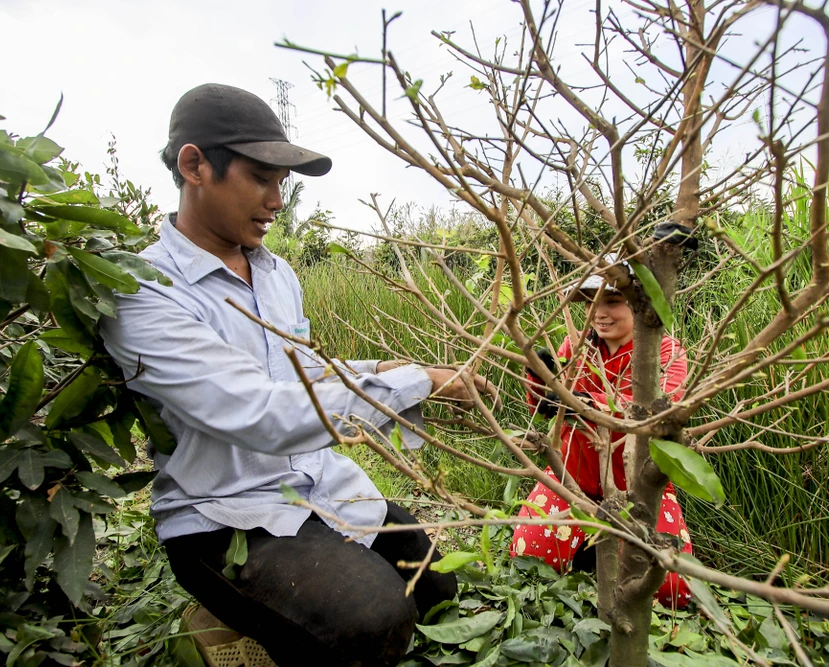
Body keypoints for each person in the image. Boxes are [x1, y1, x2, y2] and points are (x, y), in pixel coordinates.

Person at [101, 84, 494, 667]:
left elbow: (300, 372)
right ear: (194, 166)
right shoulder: (142, 288)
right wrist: (417, 384)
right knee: (374, 625)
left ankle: (261, 621)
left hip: (313, 485)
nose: (276, 201)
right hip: (224, 517)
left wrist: (389, 370)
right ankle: (220, 627)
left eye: (281, 183)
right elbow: (257, 411)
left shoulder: (275, 273)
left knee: (435, 586)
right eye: (261, 178)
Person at [509, 257, 693, 608]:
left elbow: (657, 413)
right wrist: (539, 381)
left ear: (639, 302)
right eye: (592, 302)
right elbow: (545, 407)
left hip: (637, 491)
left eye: (612, 300)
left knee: (672, 589)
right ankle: (590, 550)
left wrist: (585, 403)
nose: (599, 313)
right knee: (527, 561)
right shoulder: (575, 345)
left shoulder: (666, 352)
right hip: (572, 479)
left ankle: (604, 548)